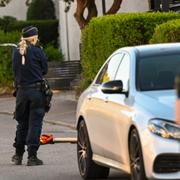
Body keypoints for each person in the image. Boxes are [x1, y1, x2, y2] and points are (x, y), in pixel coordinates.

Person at [11, 26, 48, 166]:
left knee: (22, 123)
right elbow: (44, 70)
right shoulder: (38, 51)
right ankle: (32, 157)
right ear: (34, 38)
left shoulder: (15, 52)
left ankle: (18, 155)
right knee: (35, 124)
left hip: (21, 92)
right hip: (36, 92)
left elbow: (14, 71)